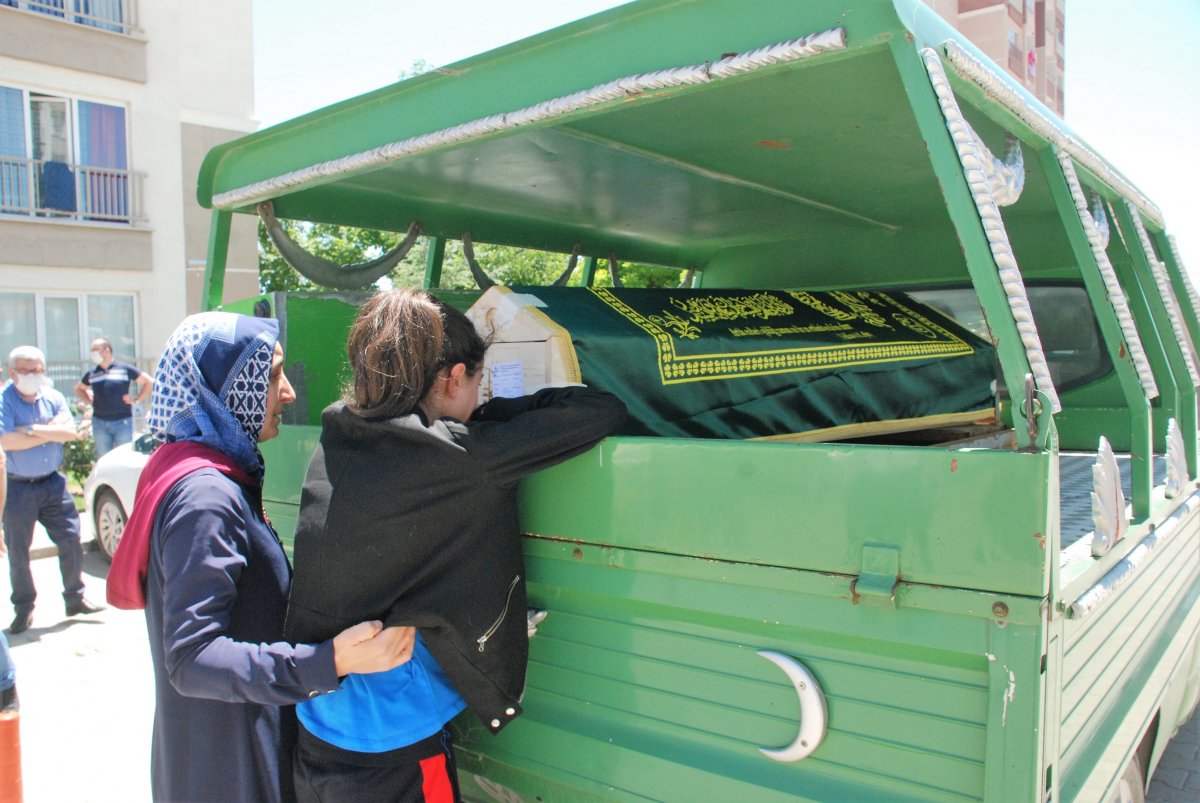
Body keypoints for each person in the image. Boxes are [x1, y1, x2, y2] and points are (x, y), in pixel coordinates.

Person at [284, 289, 627, 801]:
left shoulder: (340, 431)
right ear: (452, 377)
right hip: (393, 746)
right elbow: (603, 410)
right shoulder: (459, 456)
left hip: (317, 727)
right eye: (478, 384)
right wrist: (497, 416)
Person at [103, 311, 418, 803]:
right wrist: (329, 660)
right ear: (218, 386)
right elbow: (192, 657)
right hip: (232, 766)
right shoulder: (206, 496)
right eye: (270, 375)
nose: (288, 392)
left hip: (217, 747)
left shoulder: (204, 471)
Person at [0, 346, 104, 635]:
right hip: (18, 487)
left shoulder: (54, 397)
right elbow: (6, 441)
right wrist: (48, 431)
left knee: (71, 539)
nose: (33, 375)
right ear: (12, 373)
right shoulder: (4, 400)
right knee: (19, 552)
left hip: (53, 483)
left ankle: (75, 598)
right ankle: (23, 608)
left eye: (37, 370)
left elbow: (71, 432)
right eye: (25, 370)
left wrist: (29, 429)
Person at [75, 337, 153, 457]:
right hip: (99, 422)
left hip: (122, 422)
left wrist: (136, 400)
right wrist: (90, 401)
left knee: (125, 456)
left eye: (95, 350)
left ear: (107, 350)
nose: (93, 354)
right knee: (104, 458)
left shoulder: (124, 369)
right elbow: (79, 389)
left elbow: (148, 382)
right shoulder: (93, 373)